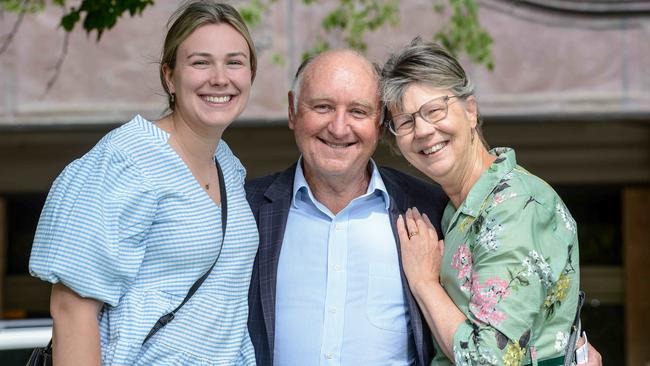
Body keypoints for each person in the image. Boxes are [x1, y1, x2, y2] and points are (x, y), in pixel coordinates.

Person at [28, 1, 258, 364]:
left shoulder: (227, 165)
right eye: (200, 62)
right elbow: (72, 309)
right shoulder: (124, 160)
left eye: (234, 62)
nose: (220, 77)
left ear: (249, 74)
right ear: (169, 76)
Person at [381, 37, 588, 365]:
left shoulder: (516, 206)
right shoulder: (458, 209)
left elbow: (489, 359)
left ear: (471, 111)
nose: (422, 130)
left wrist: (424, 282)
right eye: (406, 122)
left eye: (434, 110)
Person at [246, 49, 449, 366]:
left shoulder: (432, 208)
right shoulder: (246, 209)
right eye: (323, 107)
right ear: (292, 110)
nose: (339, 128)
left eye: (358, 111)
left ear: (380, 123)